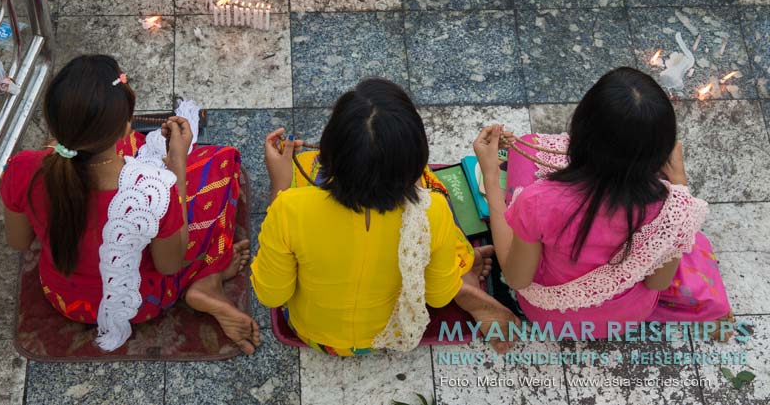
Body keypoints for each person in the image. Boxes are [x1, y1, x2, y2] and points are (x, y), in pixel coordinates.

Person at [1, 55, 259, 354]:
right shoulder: (150, 190)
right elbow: (169, 264)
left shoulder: (22, 168)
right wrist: (176, 161)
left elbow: (19, 241)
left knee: (138, 149)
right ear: (125, 127)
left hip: (63, 299)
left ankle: (207, 280)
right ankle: (205, 281)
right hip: (139, 304)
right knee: (222, 161)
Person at [251, 78, 517, 355]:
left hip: (314, 334)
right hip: (389, 333)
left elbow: (271, 295)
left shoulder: (288, 208)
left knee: (303, 165)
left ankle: (459, 270)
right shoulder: (431, 210)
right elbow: (438, 297)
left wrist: (279, 184)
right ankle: (462, 271)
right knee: (431, 188)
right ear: (415, 157)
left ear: (329, 150)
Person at [473, 67, 732, 339]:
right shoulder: (671, 205)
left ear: (581, 129)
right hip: (629, 317)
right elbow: (658, 281)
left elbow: (517, 279)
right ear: (660, 153)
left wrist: (491, 175)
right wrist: (679, 181)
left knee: (527, 146)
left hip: (553, 319)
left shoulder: (539, 200)